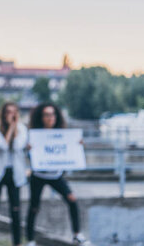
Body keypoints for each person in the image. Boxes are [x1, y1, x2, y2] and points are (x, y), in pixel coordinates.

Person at [25, 103, 88, 246]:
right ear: (41, 117)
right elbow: (30, 156)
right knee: (34, 207)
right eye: (47, 115)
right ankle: (30, 239)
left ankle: (77, 234)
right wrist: (29, 149)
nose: (50, 118)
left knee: (72, 199)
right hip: (39, 176)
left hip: (56, 175)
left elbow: (69, 150)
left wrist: (77, 145)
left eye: (52, 114)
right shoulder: (35, 134)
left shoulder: (62, 133)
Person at [0, 102, 27, 246]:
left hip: (14, 173)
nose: (11, 115)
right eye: (8, 112)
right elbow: (2, 146)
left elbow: (17, 146)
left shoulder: (22, 129)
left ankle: (17, 242)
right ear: (3, 113)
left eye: (14, 112)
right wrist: (9, 129)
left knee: (15, 210)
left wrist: (14, 127)